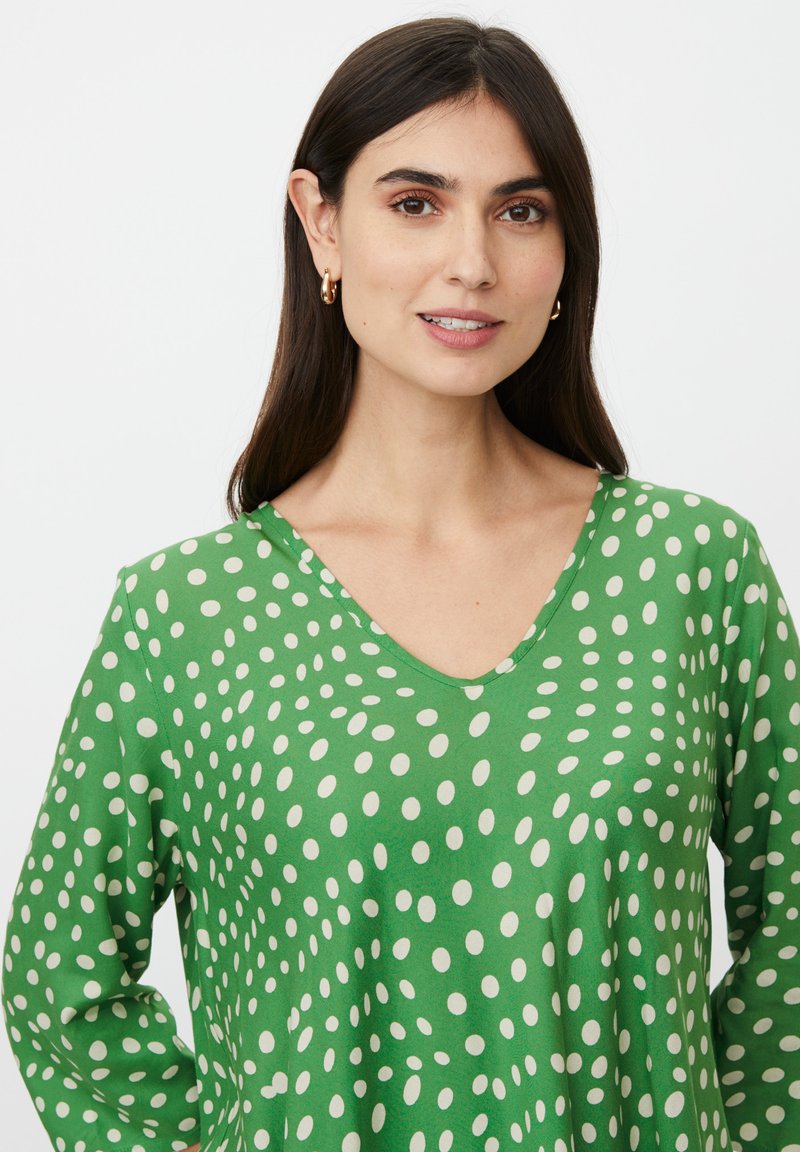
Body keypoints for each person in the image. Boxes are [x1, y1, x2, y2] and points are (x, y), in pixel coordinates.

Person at [2, 14, 798, 1152]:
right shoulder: (187, 618)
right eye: (416, 202)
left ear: (565, 249)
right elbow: (60, 982)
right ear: (320, 223)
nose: (471, 261)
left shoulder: (690, 570)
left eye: (520, 211)